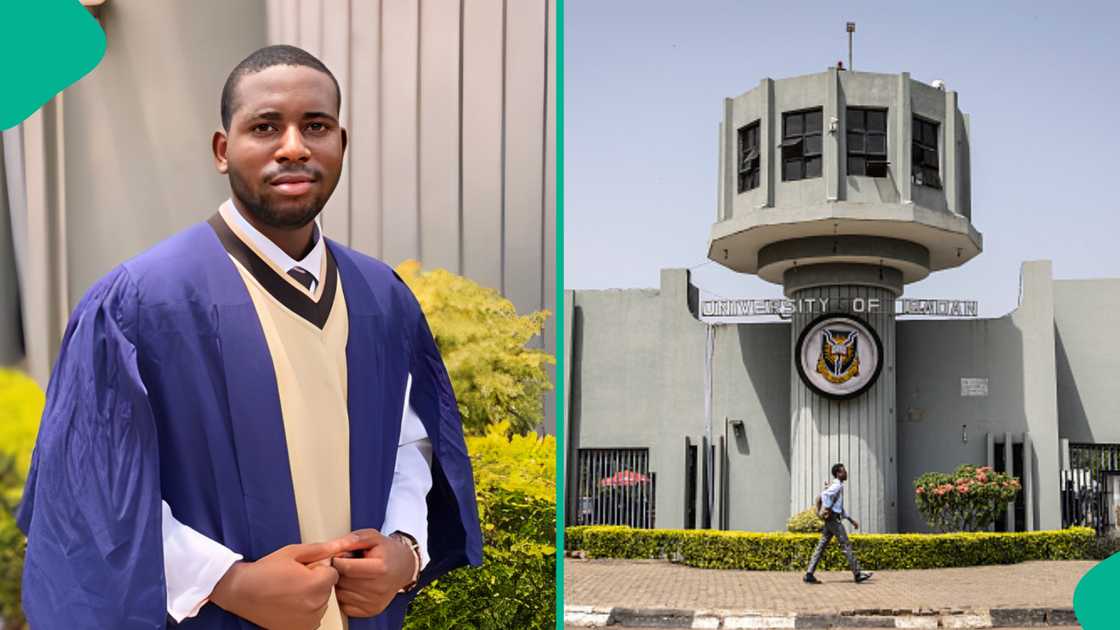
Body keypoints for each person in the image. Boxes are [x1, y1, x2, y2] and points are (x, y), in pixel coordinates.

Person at [16, 45, 482, 629]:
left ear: (342, 143)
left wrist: (404, 549)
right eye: (266, 127)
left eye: (316, 126)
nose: (294, 146)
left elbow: (410, 445)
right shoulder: (138, 303)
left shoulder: (381, 298)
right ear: (222, 149)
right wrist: (227, 581)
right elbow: (89, 495)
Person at [804, 463, 873, 584]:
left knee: (821, 547)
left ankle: (809, 574)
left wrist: (850, 520)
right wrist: (827, 509)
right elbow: (825, 495)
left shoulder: (837, 485)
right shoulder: (837, 486)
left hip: (831, 520)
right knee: (846, 546)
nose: (846, 473)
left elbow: (838, 507)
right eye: (843, 471)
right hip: (834, 521)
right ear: (838, 473)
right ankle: (857, 574)